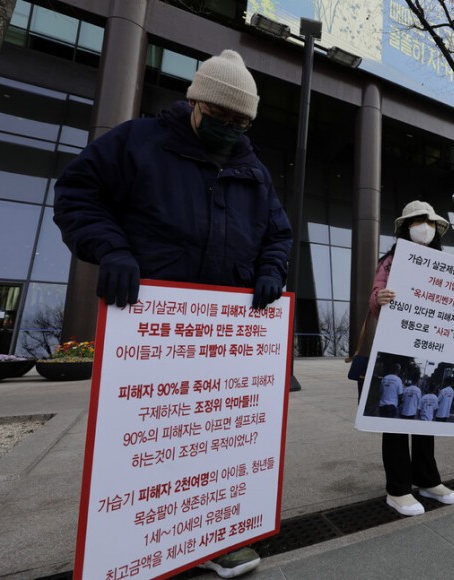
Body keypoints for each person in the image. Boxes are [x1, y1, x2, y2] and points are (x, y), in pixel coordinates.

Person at [54, 50, 291, 579]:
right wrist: (111, 250)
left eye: (242, 123)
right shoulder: (137, 143)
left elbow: (278, 233)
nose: (231, 130)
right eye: (223, 118)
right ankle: (134, 549)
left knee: (213, 442)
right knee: (147, 448)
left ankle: (210, 537)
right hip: (153, 331)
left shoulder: (253, 169)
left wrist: (270, 270)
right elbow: (77, 195)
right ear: (196, 103)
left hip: (223, 335)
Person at [368, 200, 454, 516]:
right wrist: (378, 298)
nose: (422, 226)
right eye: (416, 221)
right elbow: (374, 297)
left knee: (425, 419)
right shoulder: (389, 261)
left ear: (436, 229)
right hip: (399, 342)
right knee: (395, 420)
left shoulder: (447, 264)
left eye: (427, 221)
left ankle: (427, 479)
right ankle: (397, 489)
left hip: (434, 346)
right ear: (404, 227)